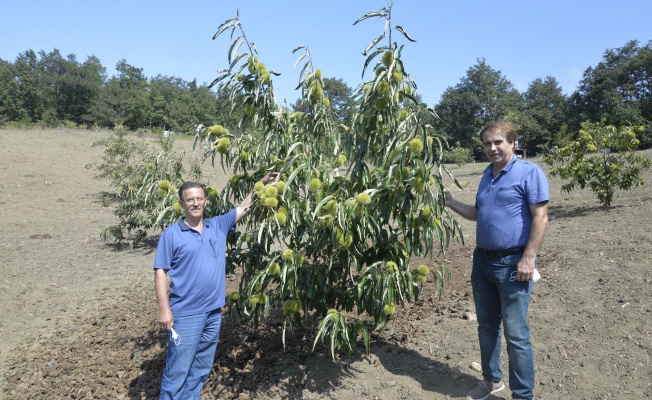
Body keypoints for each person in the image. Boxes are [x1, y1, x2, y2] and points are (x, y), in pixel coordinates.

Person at [444, 121, 549, 400]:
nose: (492, 148)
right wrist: (453, 203)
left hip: (513, 264)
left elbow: (541, 216)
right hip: (483, 262)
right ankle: (492, 381)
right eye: (487, 143)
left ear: (512, 142)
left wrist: (529, 258)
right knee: (487, 326)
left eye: (498, 142)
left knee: (516, 335)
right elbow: (479, 213)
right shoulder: (487, 175)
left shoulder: (529, 173)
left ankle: (522, 395)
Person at [154, 172, 277, 400]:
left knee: (201, 367)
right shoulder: (171, 235)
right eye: (189, 199)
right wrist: (164, 309)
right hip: (186, 314)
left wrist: (262, 184)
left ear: (206, 202)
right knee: (178, 369)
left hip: (213, 312)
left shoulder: (217, 225)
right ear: (181, 204)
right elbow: (161, 271)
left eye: (199, 198)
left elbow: (244, 208)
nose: (195, 203)